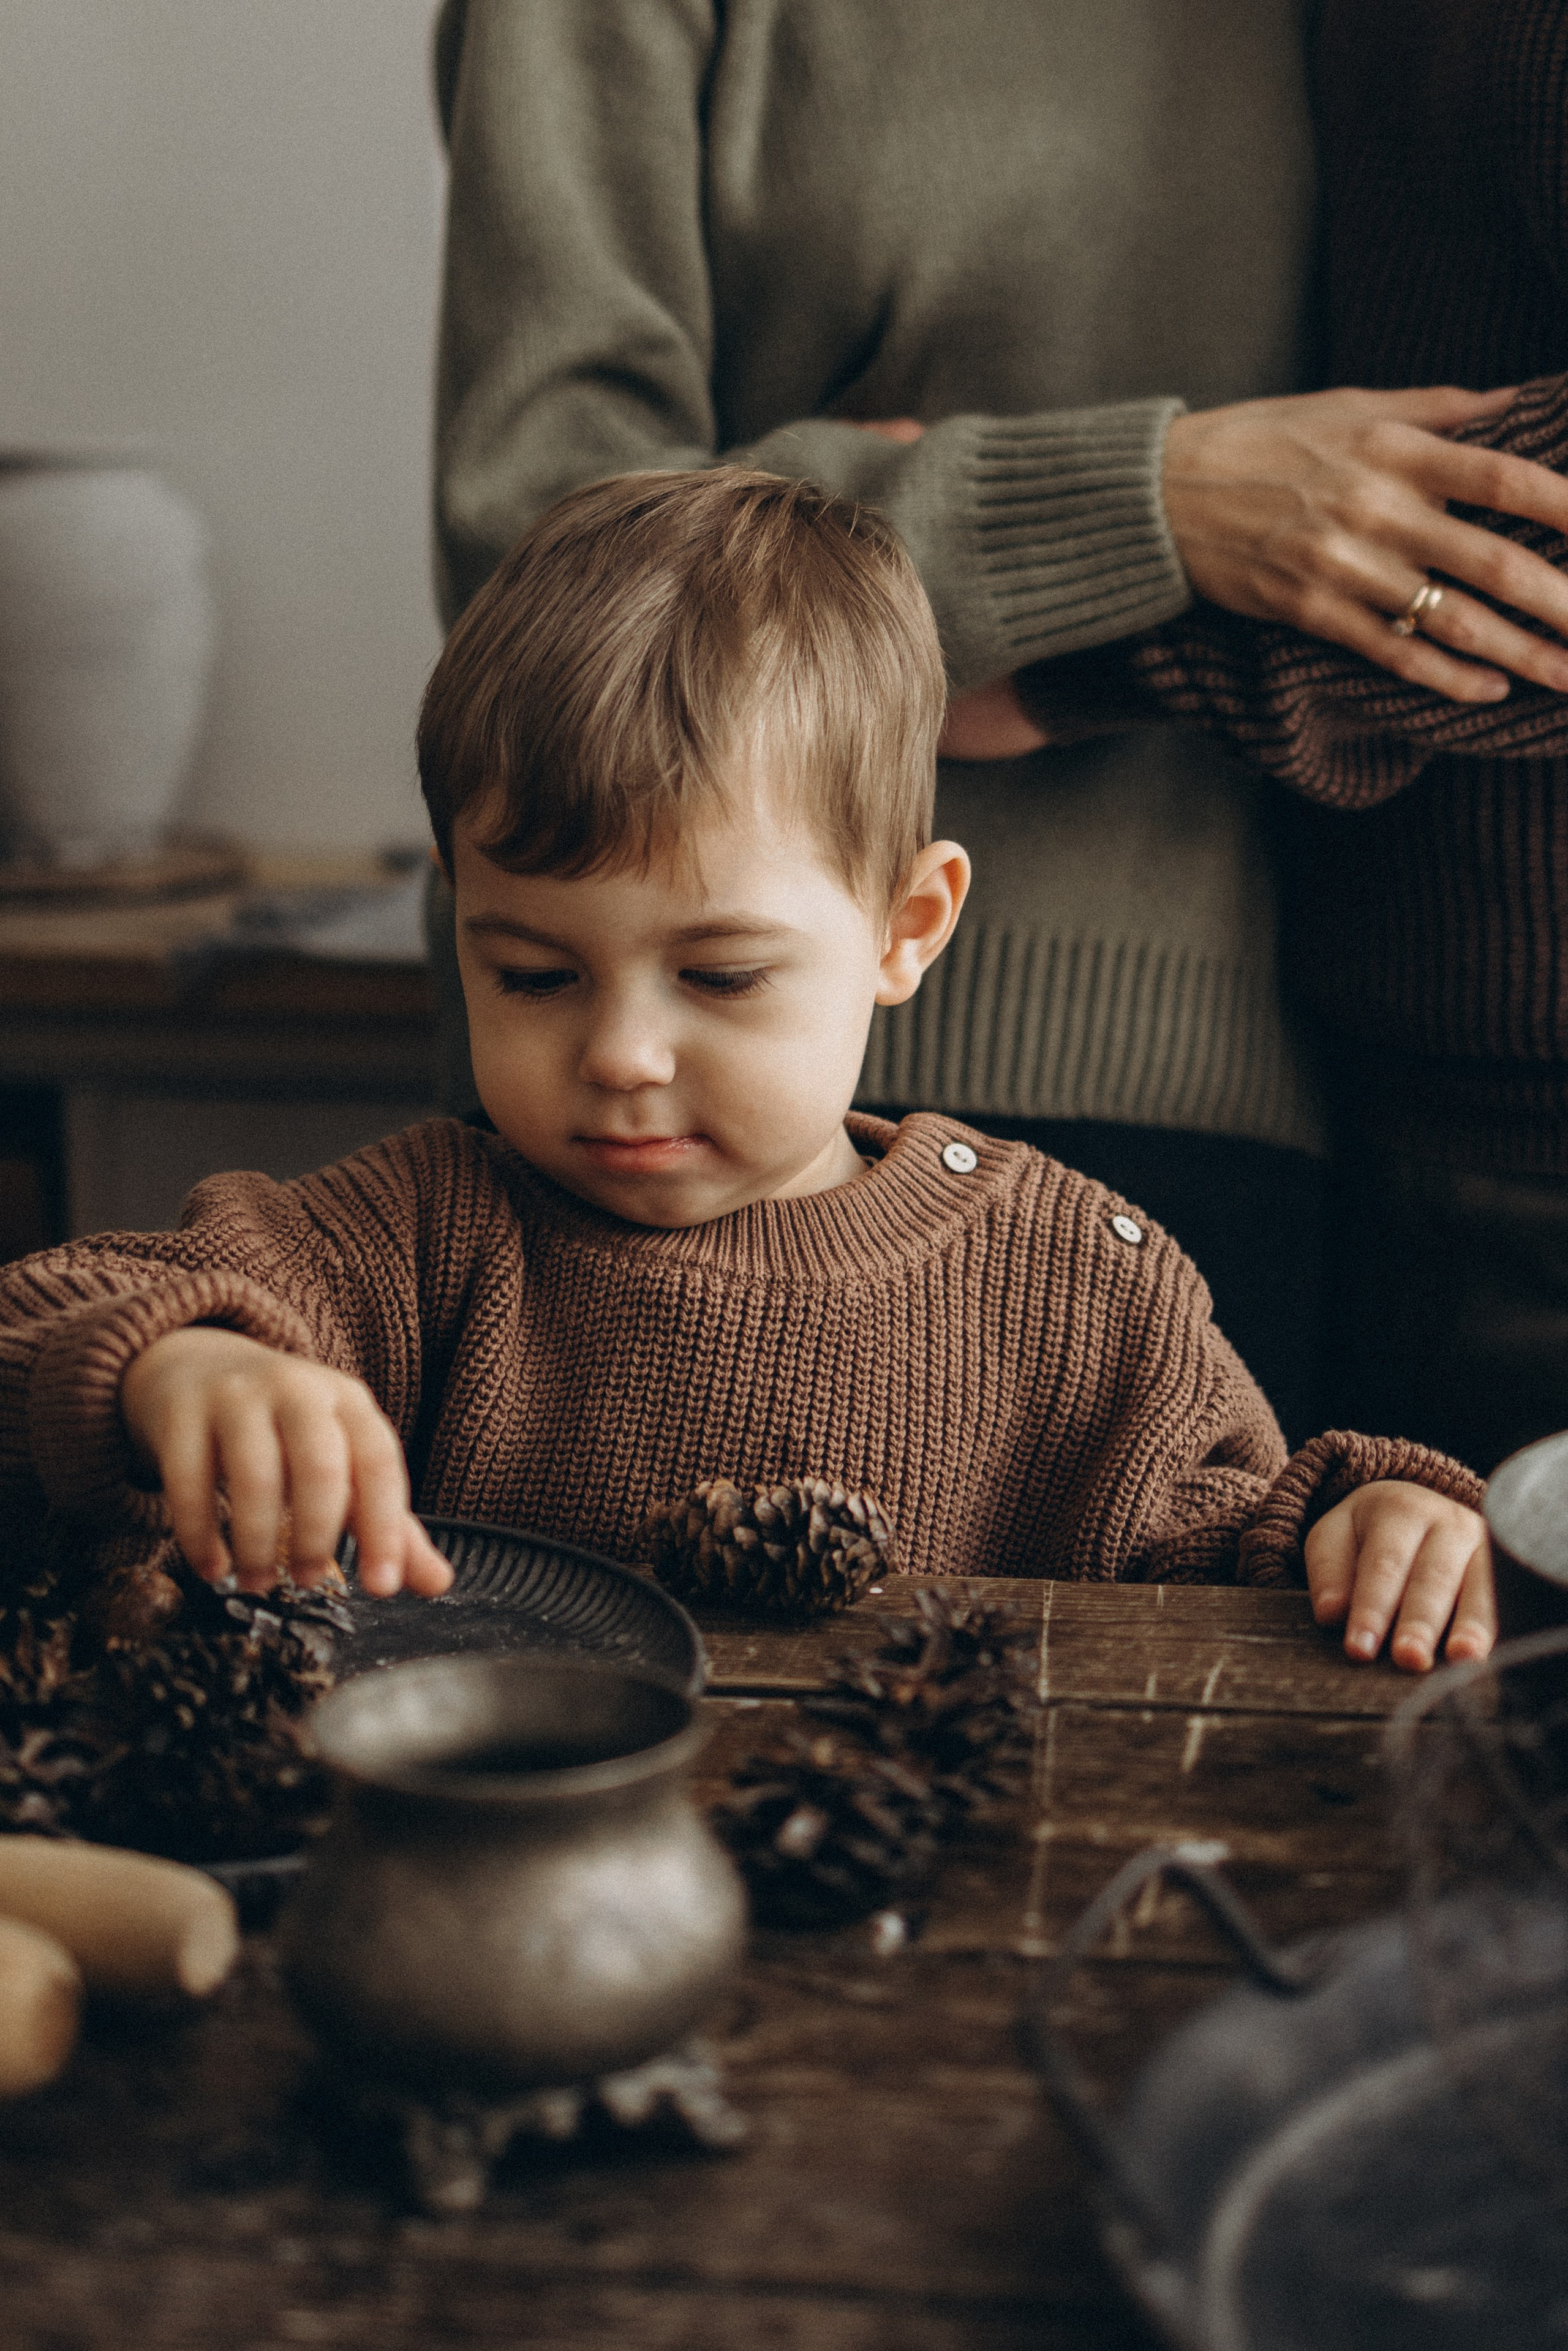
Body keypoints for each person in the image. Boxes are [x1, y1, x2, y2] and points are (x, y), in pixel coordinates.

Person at [1, 472, 1491, 1670]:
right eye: (531, 972)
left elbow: (1234, 1552)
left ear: (906, 928)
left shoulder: (1081, 1291)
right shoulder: (416, 1235)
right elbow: (47, 1317)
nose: (620, 1054)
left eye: (718, 975)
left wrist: (1373, 1517)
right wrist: (181, 1363)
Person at [426, 0, 1568, 1449]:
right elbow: (529, 563)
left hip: (1240, 1104)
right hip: (668, 1057)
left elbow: (1453, 512)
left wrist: (1036, 641)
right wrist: (1140, 505)